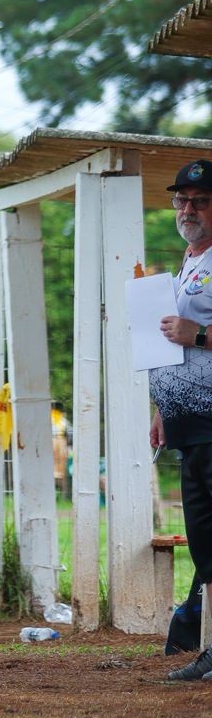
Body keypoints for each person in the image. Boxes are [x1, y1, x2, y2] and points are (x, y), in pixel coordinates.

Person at [149, 162, 212, 680]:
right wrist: (161, 410)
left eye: (200, 200)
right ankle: (208, 645)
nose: (188, 209)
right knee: (205, 540)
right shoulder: (191, 260)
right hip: (187, 425)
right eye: (181, 200)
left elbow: (193, 337)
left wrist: (201, 336)